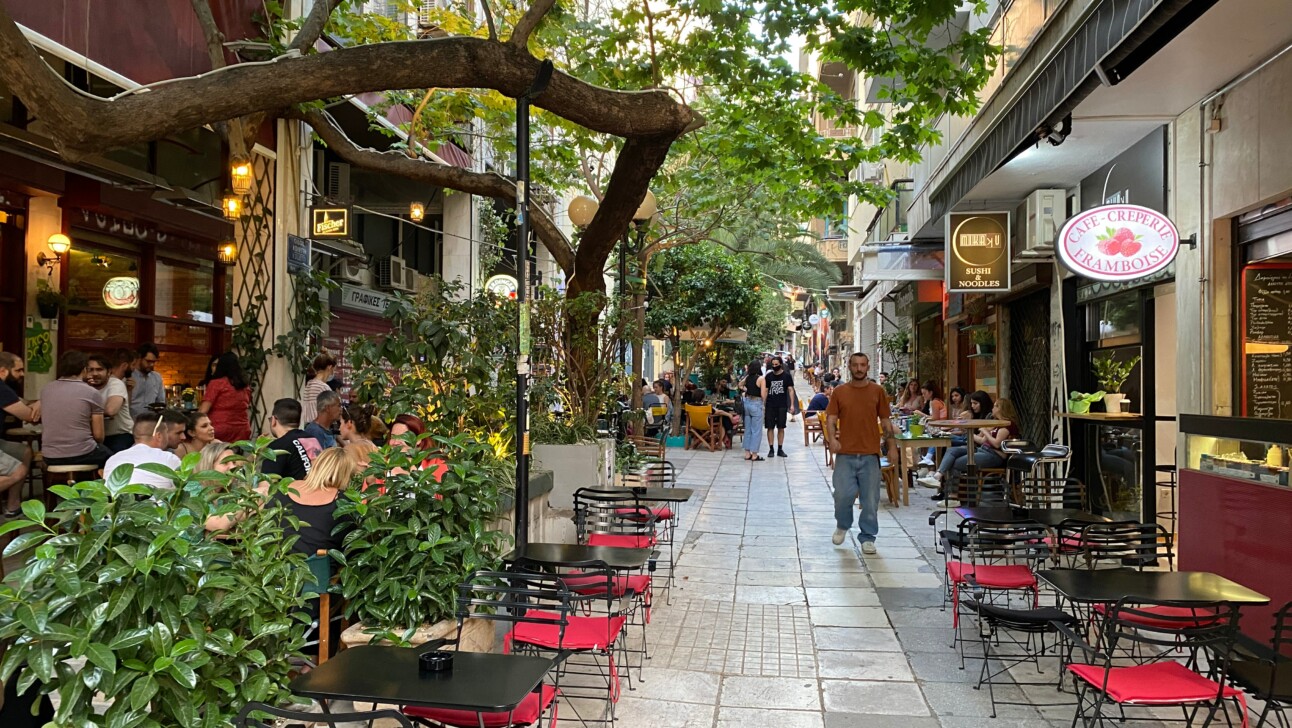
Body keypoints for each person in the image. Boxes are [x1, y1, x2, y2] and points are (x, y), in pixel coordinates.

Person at [827, 352, 898, 553]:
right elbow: (831, 418)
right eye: (855, 365)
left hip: (870, 454)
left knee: (870, 499)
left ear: (868, 367)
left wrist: (892, 447)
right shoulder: (840, 392)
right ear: (849, 366)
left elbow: (885, 421)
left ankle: (868, 537)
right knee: (842, 495)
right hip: (845, 454)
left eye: (863, 365)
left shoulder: (877, 391)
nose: (859, 368)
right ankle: (843, 524)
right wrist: (832, 439)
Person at [270, 447, 355, 556]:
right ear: (346, 475)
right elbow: (351, 546)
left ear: (316, 465)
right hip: (318, 568)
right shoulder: (342, 501)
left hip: (275, 563)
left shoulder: (284, 488)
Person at [920, 391, 1008, 494]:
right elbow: (982, 438)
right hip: (981, 448)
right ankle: (937, 477)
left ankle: (953, 494)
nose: (972, 406)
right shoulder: (993, 421)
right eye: (971, 403)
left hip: (988, 452)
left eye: (996, 406)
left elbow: (989, 441)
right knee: (950, 449)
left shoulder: (1000, 423)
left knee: (954, 460)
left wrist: (979, 430)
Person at [41, 350, 109, 470]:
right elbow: (99, 436)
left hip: (49, 455)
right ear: (84, 369)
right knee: (112, 459)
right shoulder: (91, 392)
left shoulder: (47, 389)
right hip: (83, 453)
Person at [102, 410, 186, 489]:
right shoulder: (169, 458)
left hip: (119, 504)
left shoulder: (113, 459)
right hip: (154, 504)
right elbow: (187, 491)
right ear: (159, 436)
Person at [0, 352, 38, 517]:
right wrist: (42, 405)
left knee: (24, 452)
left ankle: (12, 505)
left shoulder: (6, 390)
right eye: (18, 370)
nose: (22, 374)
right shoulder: (1, 389)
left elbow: (20, 402)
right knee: (19, 471)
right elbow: (28, 415)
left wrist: (35, 403)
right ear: (3, 371)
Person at [84, 353, 133, 454]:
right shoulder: (84, 386)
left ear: (109, 372)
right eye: (91, 369)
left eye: (99, 369)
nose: (95, 373)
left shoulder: (116, 384)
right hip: (94, 437)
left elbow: (111, 410)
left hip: (120, 435)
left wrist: (88, 414)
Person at [262, 398, 322, 480]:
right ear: (299, 422)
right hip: (322, 491)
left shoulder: (276, 447)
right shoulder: (312, 439)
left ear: (273, 420)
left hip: (295, 492)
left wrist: (258, 449)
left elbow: (266, 488)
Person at [198, 352, 252, 443]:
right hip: (242, 429)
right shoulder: (245, 386)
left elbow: (203, 411)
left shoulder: (217, 383)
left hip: (220, 429)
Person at [762, 355, 797, 458]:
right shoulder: (768, 377)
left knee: (781, 427)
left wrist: (791, 405)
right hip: (770, 405)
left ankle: (780, 448)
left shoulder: (786, 376)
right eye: (773, 365)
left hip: (782, 405)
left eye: (776, 364)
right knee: (770, 427)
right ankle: (771, 448)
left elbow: (791, 390)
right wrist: (763, 404)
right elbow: (766, 390)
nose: (774, 366)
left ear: (780, 364)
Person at [299, 353, 336, 426]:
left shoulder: (309, 385)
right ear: (329, 367)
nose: (333, 372)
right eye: (333, 369)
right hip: (319, 428)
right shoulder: (324, 388)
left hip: (307, 426)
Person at [129, 343, 165, 418]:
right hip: (132, 421)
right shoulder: (129, 376)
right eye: (148, 361)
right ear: (139, 358)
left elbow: (161, 402)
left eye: (153, 362)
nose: (151, 365)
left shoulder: (157, 377)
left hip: (151, 421)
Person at [740, 360, 766, 461]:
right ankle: (754, 454)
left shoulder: (747, 377)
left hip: (747, 403)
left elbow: (740, 385)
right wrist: (764, 405)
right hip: (756, 403)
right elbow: (763, 395)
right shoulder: (761, 379)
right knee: (756, 430)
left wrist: (747, 390)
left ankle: (747, 453)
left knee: (748, 429)